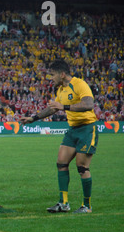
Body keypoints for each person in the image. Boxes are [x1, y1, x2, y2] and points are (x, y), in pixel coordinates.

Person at [20, 59, 98, 214]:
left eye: (52, 74)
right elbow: (52, 109)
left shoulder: (79, 84)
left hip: (87, 129)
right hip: (73, 130)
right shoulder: (61, 90)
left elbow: (89, 104)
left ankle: (87, 205)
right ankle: (63, 203)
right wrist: (33, 118)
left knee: (82, 167)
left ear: (62, 74)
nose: (50, 78)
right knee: (61, 162)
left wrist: (65, 107)